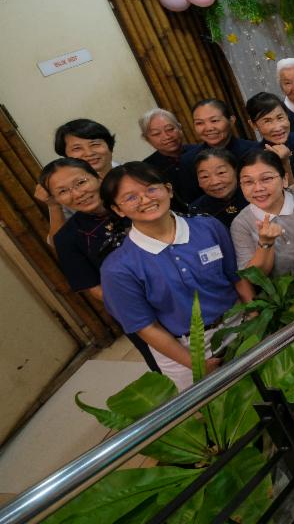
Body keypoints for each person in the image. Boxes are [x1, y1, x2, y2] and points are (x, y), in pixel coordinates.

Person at [100, 162, 254, 390]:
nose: (145, 199)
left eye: (151, 189)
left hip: (238, 324)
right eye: (130, 197)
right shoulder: (117, 268)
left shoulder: (208, 226)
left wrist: (254, 316)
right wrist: (197, 364)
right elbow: (146, 327)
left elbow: (236, 276)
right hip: (184, 350)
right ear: (118, 209)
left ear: (169, 190)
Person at [41, 157, 158, 372]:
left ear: (97, 177)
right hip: (138, 311)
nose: (77, 193)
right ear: (56, 199)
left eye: (81, 182)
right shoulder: (66, 238)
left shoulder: (138, 203)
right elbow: (94, 287)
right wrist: (137, 305)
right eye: (63, 191)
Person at [231, 149, 294, 278]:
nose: (258, 188)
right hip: (282, 291)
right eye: (248, 182)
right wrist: (265, 243)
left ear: (284, 179)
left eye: (266, 179)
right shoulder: (241, 224)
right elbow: (252, 277)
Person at [179, 99, 258, 198]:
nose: (208, 128)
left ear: (231, 120)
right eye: (199, 123)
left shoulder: (254, 151)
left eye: (214, 121)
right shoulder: (188, 160)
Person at [139, 108, 199, 207]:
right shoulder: (146, 170)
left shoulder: (201, 151)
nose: (167, 136)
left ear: (180, 128)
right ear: (147, 139)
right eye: (156, 134)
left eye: (170, 129)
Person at [245, 92, 294, 183]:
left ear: (287, 115)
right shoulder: (253, 158)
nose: (277, 128)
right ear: (253, 125)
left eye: (280, 117)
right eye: (267, 121)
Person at [188, 148, 248, 227]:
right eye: (205, 176)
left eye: (221, 172)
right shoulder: (197, 210)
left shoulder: (255, 194)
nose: (215, 182)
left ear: (236, 171)